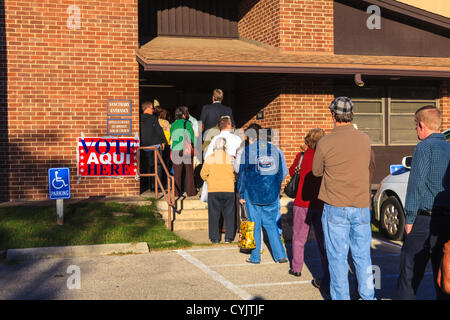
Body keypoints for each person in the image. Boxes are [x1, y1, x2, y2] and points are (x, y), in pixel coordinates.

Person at [312, 96, 375, 300]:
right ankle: (368, 296)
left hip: (335, 205)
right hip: (361, 204)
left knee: (337, 258)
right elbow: (369, 165)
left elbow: (316, 171)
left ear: (333, 115)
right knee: (363, 256)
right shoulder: (364, 139)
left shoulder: (325, 141)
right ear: (352, 114)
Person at [396, 105, 450, 300]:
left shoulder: (424, 147)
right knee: (443, 273)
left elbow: (416, 185)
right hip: (446, 222)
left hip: (425, 220)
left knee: (409, 273)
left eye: (415, 126)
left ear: (421, 125)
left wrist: (409, 219)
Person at [237, 123, 289, 264]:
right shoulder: (276, 151)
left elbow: (243, 175)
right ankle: (280, 255)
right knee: (271, 224)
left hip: (252, 193)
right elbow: (282, 173)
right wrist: (275, 187)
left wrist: (241, 194)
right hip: (271, 193)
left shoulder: (248, 151)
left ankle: (255, 257)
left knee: (255, 224)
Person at [289, 128, 330, 291]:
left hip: (301, 202)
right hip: (320, 203)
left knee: (299, 237)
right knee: (323, 240)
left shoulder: (301, 156)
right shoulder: (326, 158)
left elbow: (292, 171)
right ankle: (327, 270)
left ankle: (297, 267)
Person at [200, 138, 236, 244]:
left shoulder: (210, 158)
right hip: (229, 189)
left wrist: (209, 180)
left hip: (213, 189)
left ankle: (215, 237)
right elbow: (236, 173)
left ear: (215, 146)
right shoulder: (231, 158)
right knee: (229, 214)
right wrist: (233, 180)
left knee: (213, 215)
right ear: (225, 146)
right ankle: (229, 237)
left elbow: (202, 174)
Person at [140, 100, 168, 192]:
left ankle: (150, 186)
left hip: (144, 147)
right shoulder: (153, 118)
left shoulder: (139, 119)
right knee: (158, 166)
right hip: (155, 146)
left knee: (149, 166)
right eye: (152, 108)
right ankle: (157, 187)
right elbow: (159, 130)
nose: (153, 110)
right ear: (147, 108)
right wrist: (163, 141)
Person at [170, 106, 197, 197]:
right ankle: (191, 192)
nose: (186, 114)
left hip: (175, 150)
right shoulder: (187, 123)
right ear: (182, 115)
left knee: (177, 173)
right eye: (185, 113)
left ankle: (176, 193)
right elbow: (193, 137)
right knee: (189, 172)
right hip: (186, 149)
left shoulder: (173, 125)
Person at [155, 105, 172, 189]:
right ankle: (164, 184)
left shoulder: (154, 121)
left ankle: (156, 184)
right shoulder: (165, 122)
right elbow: (168, 135)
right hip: (166, 145)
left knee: (157, 165)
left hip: (156, 145)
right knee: (165, 165)